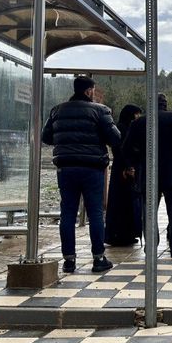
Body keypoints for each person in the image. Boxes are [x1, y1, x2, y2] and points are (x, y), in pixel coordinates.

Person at [42, 76, 120, 273]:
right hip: (92, 168)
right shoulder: (100, 111)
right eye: (93, 90)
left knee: (67, 212)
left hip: (65, 167)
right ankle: (98, 258)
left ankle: (69, 261)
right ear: (88, 91)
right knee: (95, 212)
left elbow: (46, 137)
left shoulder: (57, 110)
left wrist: (66, 142)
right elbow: (115, 138)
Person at [121, 94, 172, 258]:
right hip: (171, 172)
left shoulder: (140, 121)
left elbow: (126, 147)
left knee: (149, 212)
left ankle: (151, 246)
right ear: (165, 105)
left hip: (148, 171)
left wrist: (138, 160)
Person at [105, 104, 143, 246]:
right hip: (123, 170)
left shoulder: (126, 128)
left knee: (126, 203)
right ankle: (119, 235)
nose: (137, 117)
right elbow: (120, 149)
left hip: (125, 169)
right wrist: (128, 166)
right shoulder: (122, 128)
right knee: (122, 203)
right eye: (136, 114)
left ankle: (126, 234)